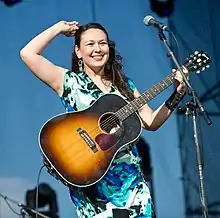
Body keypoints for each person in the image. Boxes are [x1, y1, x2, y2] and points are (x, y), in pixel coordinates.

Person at [20, 20, 188, 218]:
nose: (98, 49)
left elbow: (151, 121)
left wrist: (176, 95)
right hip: (91, 183)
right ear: (78, 51)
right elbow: (28, 54)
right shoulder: (69, 82)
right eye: (90, 44)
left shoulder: (124, 85)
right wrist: (58, 29)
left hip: (132, 186)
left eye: (102, 43)